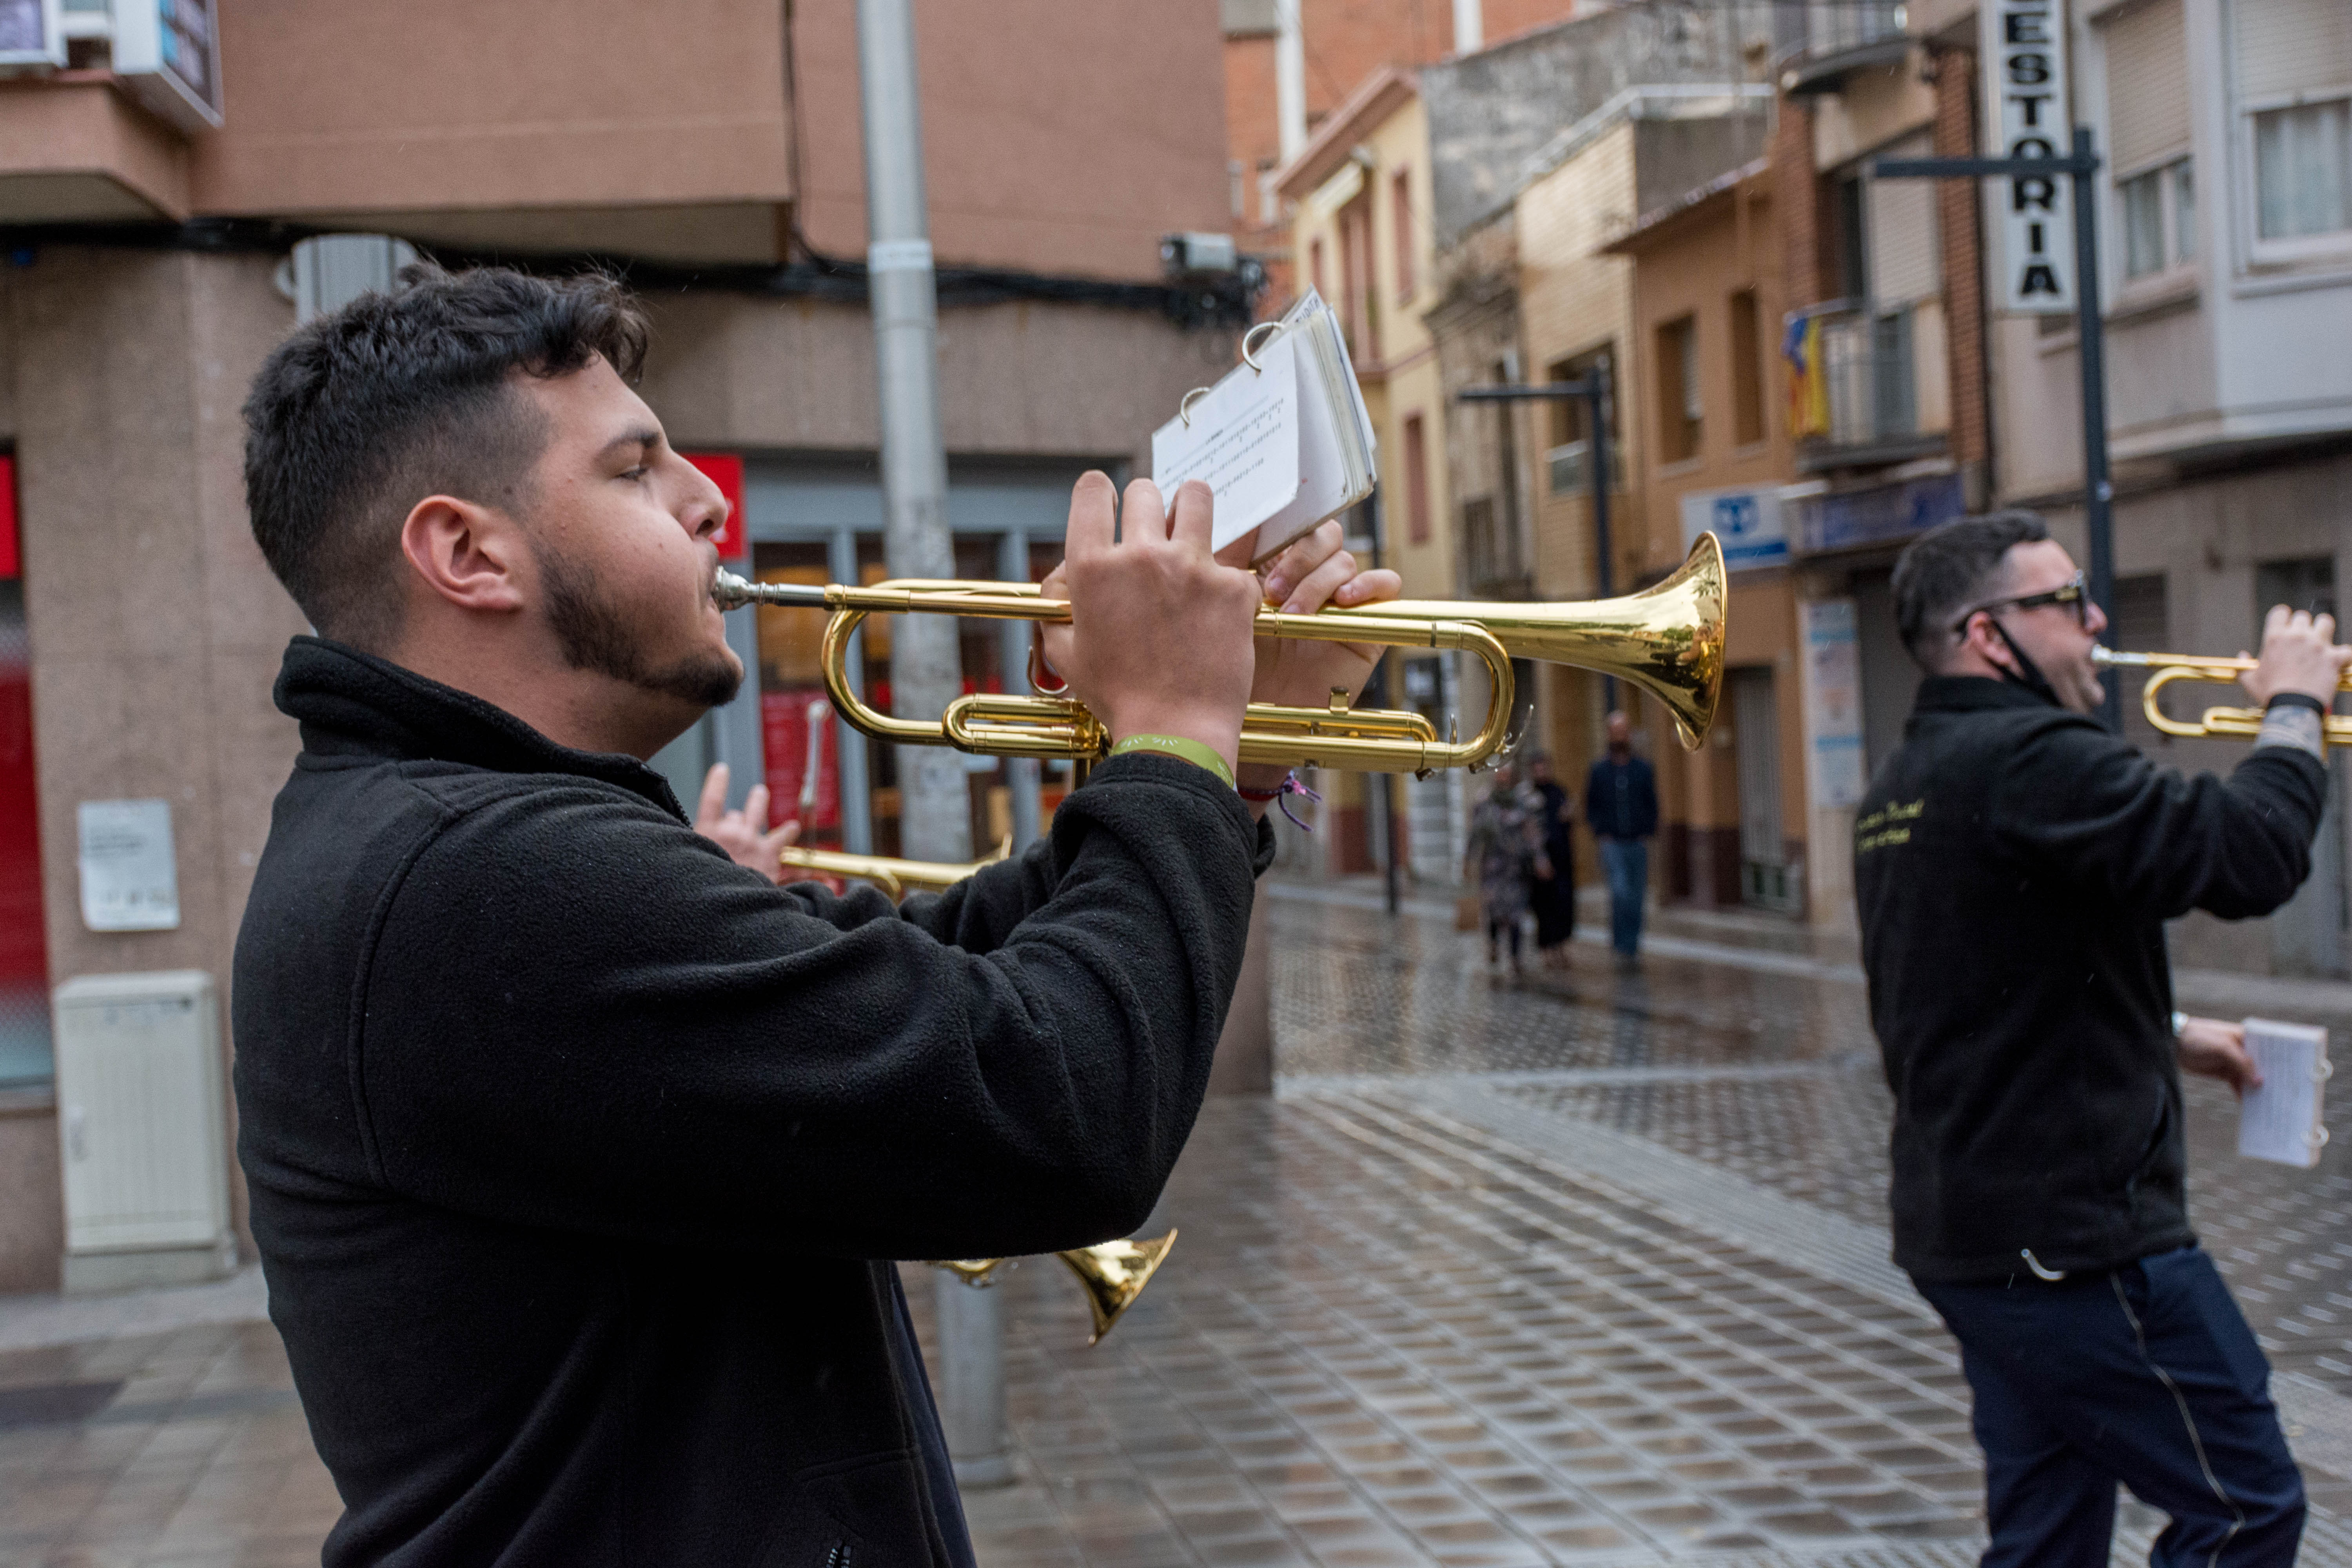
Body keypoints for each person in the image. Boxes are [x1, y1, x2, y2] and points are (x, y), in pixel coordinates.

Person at [229, 263, 1399, 1567]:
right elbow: (1058, 1109)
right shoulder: (477, 877)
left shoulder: (460, 837)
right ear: (466, 553)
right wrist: (1171, 733)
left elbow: (937, 987)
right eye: (634, 472)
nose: (707, 501)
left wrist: (1219, 768)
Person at [1856, 510, 2348, 1567]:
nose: (2097, 621)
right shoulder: (2035, 754)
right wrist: (2297, 706)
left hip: (1972, 1235)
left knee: (2046, 1542)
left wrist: (2163, 1029)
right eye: (2067, 602)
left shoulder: (1909, 778)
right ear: (1991, 635)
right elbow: (2248, 855)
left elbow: (1962, 984)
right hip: (2078, 1244)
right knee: (2247, 1507)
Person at [1584, 710, 1657, 967]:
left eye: (1624, 731)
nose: (1620, 736)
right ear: (1609, 735)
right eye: (1616, 731)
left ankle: (1632, 945)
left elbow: (1652, 803)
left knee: (1637, 897)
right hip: (1612, 842)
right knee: (1620, 892)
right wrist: (1600, 831)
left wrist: (1648, 828)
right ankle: (1620, 944)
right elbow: (1591, 805)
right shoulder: (1600, 770)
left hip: (1637, 841)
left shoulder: (1643, 769)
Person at [1466, 761, 1546, 974]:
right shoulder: (1484, 802)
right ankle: (1494, 945)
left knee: (1516, 914)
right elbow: (1475, 833)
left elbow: (1532, 833)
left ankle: (1515, 957)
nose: (1503, 779)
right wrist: (1468, 861)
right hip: (1492, 869)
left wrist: (1540, 859)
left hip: (1516, 869)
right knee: (1494, 911)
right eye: (1500, 775)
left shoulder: (1522, 802)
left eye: (1507, 775)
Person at [1524, 751, 1576, 965]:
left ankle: (1561, 945)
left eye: (1544, 767)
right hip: (1540, 860)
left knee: (1563, 904)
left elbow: (1568, 821)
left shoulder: (1559, 792)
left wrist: (1570, 817)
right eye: (1537, 768)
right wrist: (1538, 859)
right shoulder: (1528, 796)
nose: (1542, 772)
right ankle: (1546, 949)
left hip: (1562, 859)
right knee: (1544, 907)